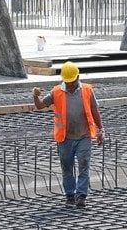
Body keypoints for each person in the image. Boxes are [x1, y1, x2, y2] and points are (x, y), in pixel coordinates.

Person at [32, 61, 104, 209]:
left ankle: (81, 196)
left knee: (84, 165)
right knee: (67, 168)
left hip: (83, 136)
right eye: (67, 82)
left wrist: (100, 130)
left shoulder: (87, 90)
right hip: (65, 138)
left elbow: (95, 111)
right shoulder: (56, 92)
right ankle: (70, 195)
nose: (70, 85)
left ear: (77, 77)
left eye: (72, 82)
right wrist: (35, 96)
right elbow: (40, 106)